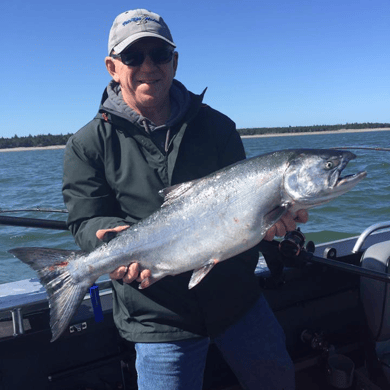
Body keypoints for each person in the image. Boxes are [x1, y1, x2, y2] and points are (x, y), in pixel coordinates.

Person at [62, 8, 308, 390]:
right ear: (112, 66)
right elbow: (84, 219)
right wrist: (107, 238)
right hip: (156, 314)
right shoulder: (87, 145)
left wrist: (272, 223)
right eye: (133, 56)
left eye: (159, 54)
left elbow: (248, 211)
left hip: (237, 299)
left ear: (174, 62)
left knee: (277, 380)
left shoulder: (217, 127)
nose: (148, 65)